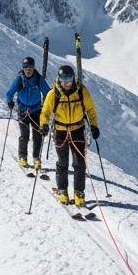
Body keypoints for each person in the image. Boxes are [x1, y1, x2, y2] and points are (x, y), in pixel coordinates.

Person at [39, 65, 99, 206]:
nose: (67, 83)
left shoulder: (81, 91)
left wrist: (94, 125)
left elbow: (90, 109)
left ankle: (79, 193)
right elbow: (45, 112)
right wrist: (44, 125)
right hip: (60, 132)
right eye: (64, 80)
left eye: (69, 79)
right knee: (63, 162)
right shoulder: (53, 94)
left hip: (78, 130)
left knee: (79, 163)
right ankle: (62, 191)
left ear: (73, 78)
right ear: (59, 79)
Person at [5, 56, 50, 170]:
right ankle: (22, 157)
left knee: (37, 136)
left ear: (34, 68)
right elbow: (10, 92)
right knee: (24, 136)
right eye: (26, 68)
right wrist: (9, 101)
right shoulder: (19, 79)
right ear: (23, 68)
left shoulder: (39, 79)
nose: (28, 71)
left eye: (30, 68)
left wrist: (48, 106)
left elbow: (48, 93)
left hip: (36, 111)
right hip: (22, 112)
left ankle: (36, 159)